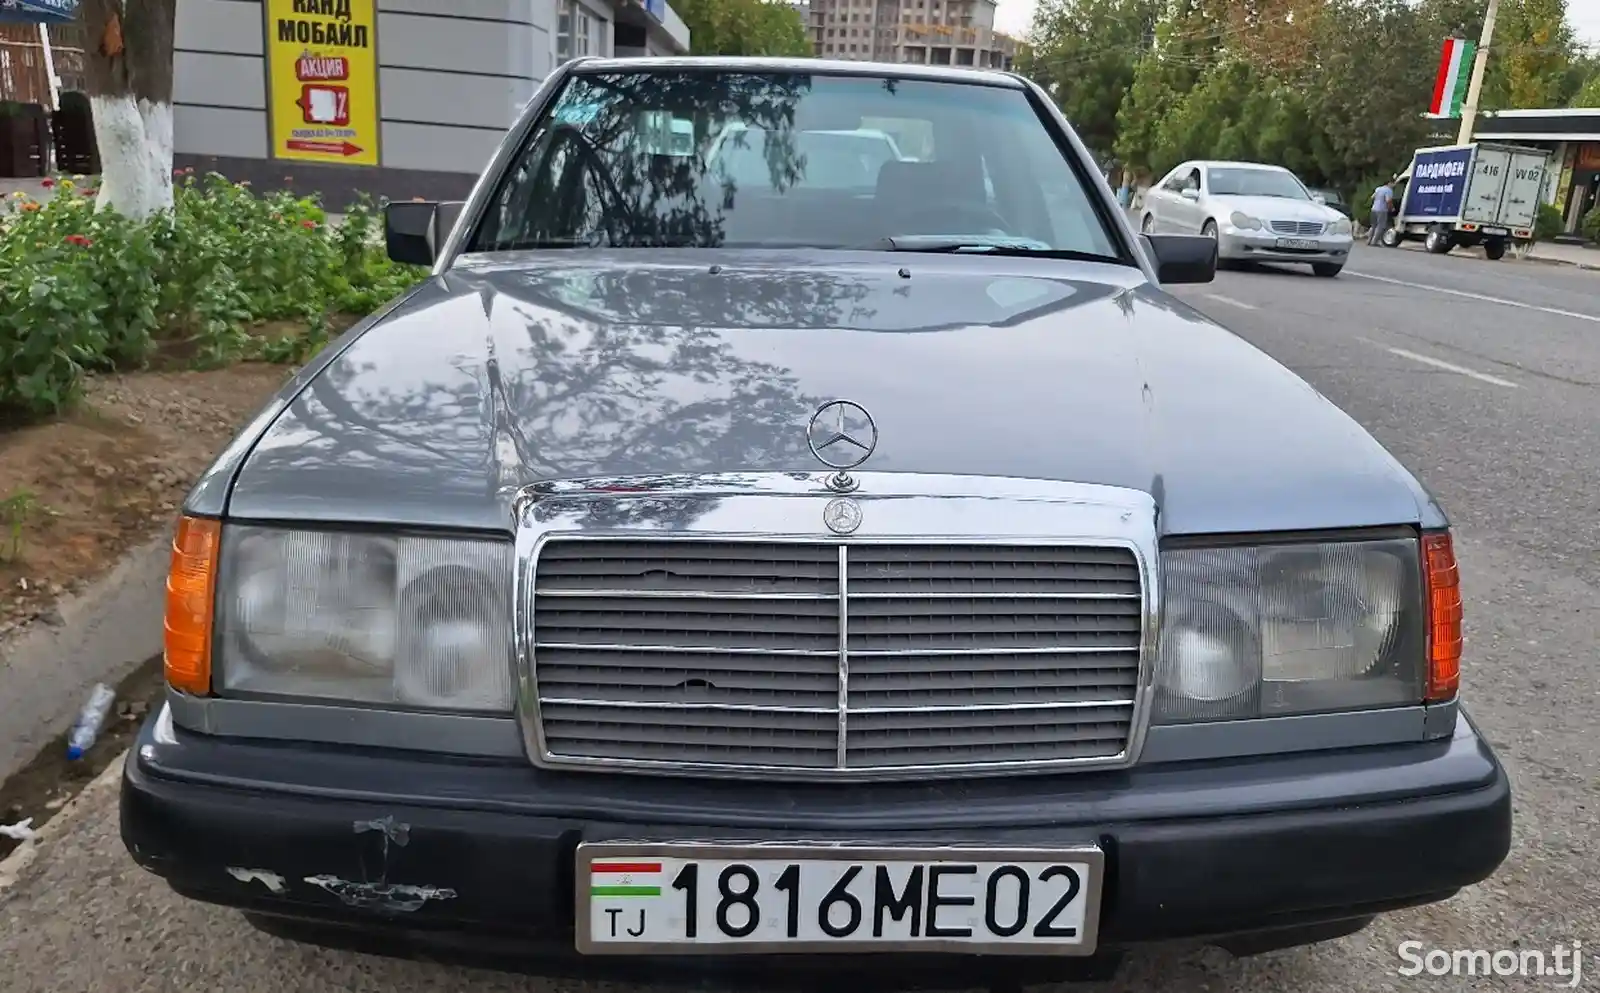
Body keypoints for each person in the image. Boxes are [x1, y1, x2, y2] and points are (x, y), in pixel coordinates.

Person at [1368, 178, 1395, 246]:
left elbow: (1372, 197)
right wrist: (1392, 208)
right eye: (1393, 183)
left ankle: (1368, 240)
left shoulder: (1378, 189)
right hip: (1382, 210)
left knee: (1373, 226)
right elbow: (1388, 201)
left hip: (1374, 209)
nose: (1394, 185)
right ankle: (1374, 242)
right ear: (1389, 183)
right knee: (1380, 226)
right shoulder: (1389, 190)